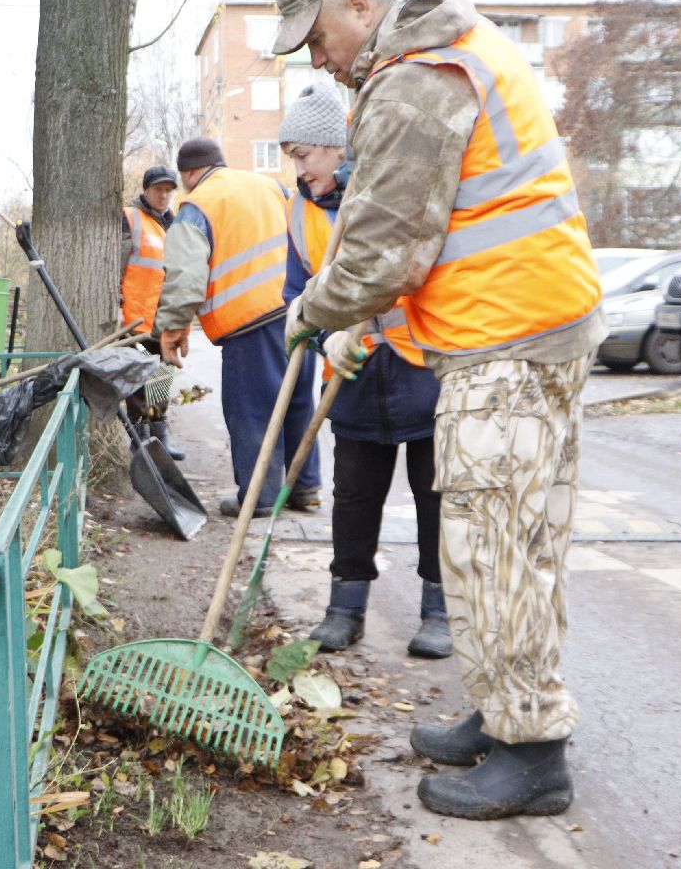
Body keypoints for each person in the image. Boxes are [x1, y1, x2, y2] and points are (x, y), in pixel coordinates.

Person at [272, 0, 604, 820]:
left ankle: (533, 752)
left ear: (358, 6)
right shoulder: (456, 50)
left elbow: (385, 243)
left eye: (316, 36)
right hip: (521, 325)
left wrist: (317, 312)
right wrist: (367, 328)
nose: (318, 57)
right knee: (508, 541)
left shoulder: (419, 77)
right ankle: (506, 715)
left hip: (511, 338)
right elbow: (435, 237)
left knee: (491, 547)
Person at [280, 83, 451, 660]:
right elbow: (296, 296)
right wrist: (326, 336)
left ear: (335, 148)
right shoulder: (301, 213)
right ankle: (344, 609)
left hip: (420, 367)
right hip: (351, 377)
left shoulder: (387, 193)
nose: (300, 170)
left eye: (305, 155)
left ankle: (439, 610)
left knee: (435, 497)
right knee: (353, 496)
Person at [153, 137, 321, 518]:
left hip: (250, 321)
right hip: (300, 309)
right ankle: (305, 488)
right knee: (296, 400)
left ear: (190, 174)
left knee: (252, 410)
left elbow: (185, 275)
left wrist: (173, 326)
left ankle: (260, 497)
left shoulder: (197, 204)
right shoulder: (269, 185)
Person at [120, 165, 185, 460]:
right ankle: (141, 442)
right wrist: (116, 307)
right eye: (159, 189)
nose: (164, 195)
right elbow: (117, 265)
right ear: (146, 190)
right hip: (135, 319)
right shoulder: (131, 218)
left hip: (163, 319)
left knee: (161, 377)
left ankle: (159, 437)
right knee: (137, 381)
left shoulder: (170, 225)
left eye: (169, 190)